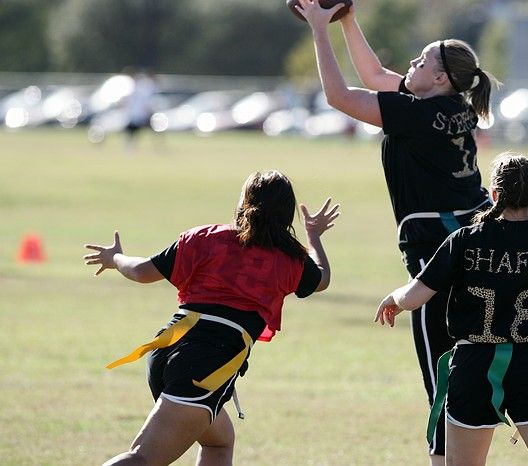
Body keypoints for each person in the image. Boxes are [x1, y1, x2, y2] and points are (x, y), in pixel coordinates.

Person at [295, 1, 499, 462]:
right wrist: (346, 17)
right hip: (471, 249)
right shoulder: (450, 105)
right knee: (466, 380)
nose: (411, 65)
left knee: (444, 386)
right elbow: (376, 76)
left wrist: (320, 29)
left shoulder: (419, 116)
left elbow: (341, 97)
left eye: (421, 61)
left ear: (441, 78)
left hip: (439, 262)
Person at [83, 170, 339, 466]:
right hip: (206, 364)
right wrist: (314, 237)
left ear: (244, 203)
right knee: (143, 459)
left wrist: (114, 258)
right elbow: (322, 279)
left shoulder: (205, 237)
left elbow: (141, 271)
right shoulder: (289, 258)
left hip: (168, 347)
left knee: (219, 441)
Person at [375, 153, 528, 466]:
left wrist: (393, 298)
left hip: (474, 366)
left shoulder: (464, 240)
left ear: (494, 196)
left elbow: (413, 298)